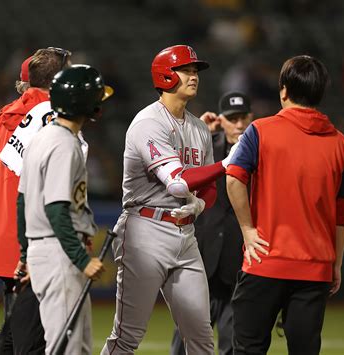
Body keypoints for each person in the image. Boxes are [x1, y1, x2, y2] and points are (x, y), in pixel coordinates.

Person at [100, 45, 239, 355]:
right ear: (165, 75)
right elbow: (178, 183)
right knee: (127, 336)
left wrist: (200, 204)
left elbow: (209, 189)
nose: (194, 76)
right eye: (186, 70)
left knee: (201, 336)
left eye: (196, 71)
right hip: (144, 232)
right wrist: (228, 164)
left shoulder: (200, 128)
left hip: (184, 234)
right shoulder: (148, 122)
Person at [226, 55, 344, 355]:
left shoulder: (260, 131)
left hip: (264, 262)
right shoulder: (341, 143)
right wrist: (335, 264)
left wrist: (248, 230)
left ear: (283, 91)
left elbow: (234, 178)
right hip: (314, 269)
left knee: (248, 349)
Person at [0, 47, 72, 354]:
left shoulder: (3, 117)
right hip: (34, 243)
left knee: (13, 333)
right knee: (31, 340)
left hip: (7, 238)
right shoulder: (53, 118)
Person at [16, 64, 113, 354]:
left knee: (74, 346)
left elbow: (22, 201)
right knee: (67, 347)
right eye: (96, 97)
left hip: (44, 250)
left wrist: (26, 254)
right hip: (60, 253)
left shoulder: (41, 138)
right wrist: (81, 259)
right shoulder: (64, 145)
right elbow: (56, 209)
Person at [170, 92, 253, 355]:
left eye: (243, 118)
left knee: (232, 341)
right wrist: (199, 132)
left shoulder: (259, 153)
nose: (239, 124)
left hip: (237, 255)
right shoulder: (204, 146)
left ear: (252, 118)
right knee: (186, 338)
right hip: (201, 252)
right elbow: (174, 172)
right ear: (222, 120)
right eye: (232, 118)